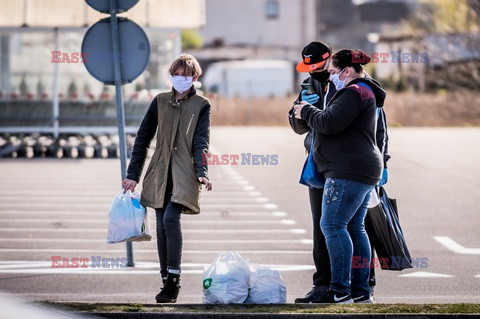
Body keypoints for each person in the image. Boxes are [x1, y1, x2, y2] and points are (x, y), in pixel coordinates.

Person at [293, 49, 386, 304]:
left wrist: (307, 111)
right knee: (355, 227)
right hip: (358, 169)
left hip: (348, 170)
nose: (330, 77)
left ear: (346, 71)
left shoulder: (354, 92)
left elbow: (329, 122)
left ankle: (340, 289)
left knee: (332, 226)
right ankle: (360, 290)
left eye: (333, 72)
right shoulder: (363, 90)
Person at [122, 54, 213, 303]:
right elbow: (142, 139)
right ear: (170, 75)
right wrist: (132, 176)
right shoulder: (160, 101)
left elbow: (201, 142)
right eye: (176, 74)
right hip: (160, 172)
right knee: (162, 226)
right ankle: (166, 282)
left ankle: (174, 281)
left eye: (186, 74)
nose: (180, 78)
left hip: (185, 174)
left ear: (195, 77)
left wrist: (202, 172)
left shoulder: (202, 105)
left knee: (171, 220)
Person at [288, 41, 337, 303]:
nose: (313, 71)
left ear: (330, 61)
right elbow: (296, 125)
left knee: (353, 226)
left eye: (317, 66)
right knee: (321, 226)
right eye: (309, 67)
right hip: (317, 164)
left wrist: (382, 160)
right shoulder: (309, 84)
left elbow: (377, 123)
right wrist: (301, 114)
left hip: (346, 165)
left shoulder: (347, 80)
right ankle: (322, 285)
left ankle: (359, 285)